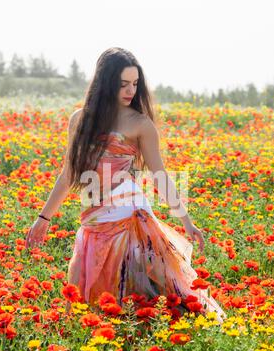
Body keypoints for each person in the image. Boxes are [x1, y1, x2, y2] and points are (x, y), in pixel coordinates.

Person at [26, 47, 227, 323]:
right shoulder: (79, 120)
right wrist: (43, 218)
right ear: (105, 82)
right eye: (123, 84)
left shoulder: (140, 124)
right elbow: (68, 173)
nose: (130, 90)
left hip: (128, 213)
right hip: (93, 218)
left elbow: (160, 175)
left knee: (141, 291)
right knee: (96, 302)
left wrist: (187, 221)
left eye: (135, 83)